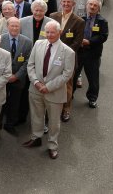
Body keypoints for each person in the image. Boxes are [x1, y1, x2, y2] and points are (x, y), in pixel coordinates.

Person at [24, 20, 75, 159]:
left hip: (55, 92)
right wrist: (35, 82)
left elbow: (67, 74)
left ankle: (52, 145)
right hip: (35, 89)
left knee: (54, 122)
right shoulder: (38, 44)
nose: (50, 35)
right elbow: (30, 65)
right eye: (47, 32)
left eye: (53, 32)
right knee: (36, 115)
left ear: (59, 32)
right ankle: (36, 137)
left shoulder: (68, 52)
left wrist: (48, 87)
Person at [74, 0, 108, 108]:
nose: (92, 7)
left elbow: (103, 36)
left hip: (93, 53)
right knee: (73, 75)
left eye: (95, 6)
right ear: (86, 5)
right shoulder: (80, 18)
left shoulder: (102, 21)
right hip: (79, 52)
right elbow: (74, 32)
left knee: (93, 78)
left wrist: (89, 41)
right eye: (90, 4)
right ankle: (69, 95)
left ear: (99, 8)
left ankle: (92, 98)